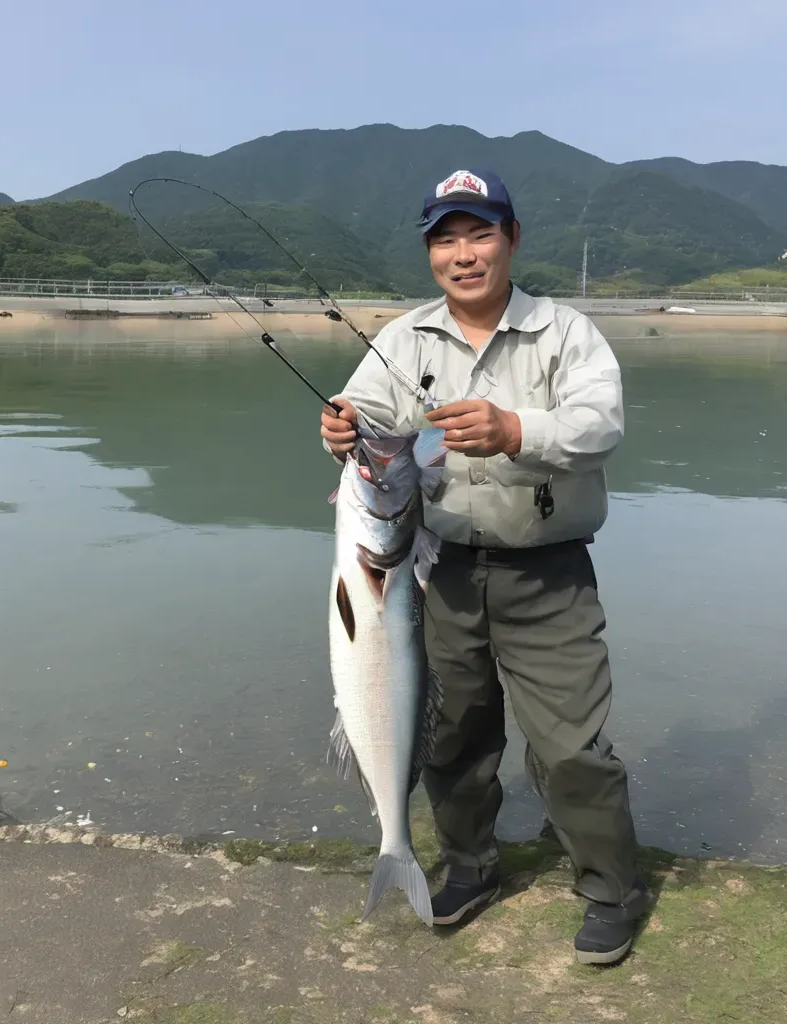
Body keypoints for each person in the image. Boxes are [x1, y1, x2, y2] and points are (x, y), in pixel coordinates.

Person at [320, 168, 648, 965]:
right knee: (452, 734)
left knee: (571, 743)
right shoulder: (403, 339)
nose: (463, 254)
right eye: (446, 239)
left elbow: (599, 425)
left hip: (549, 571)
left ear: (511, 239)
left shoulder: (566, 333)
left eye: (479, 234)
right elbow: (363, 420)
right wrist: (339, 430)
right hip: (433, 573)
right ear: (431, 252)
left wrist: (512, 429)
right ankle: (469, 863)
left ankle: (611, 887)